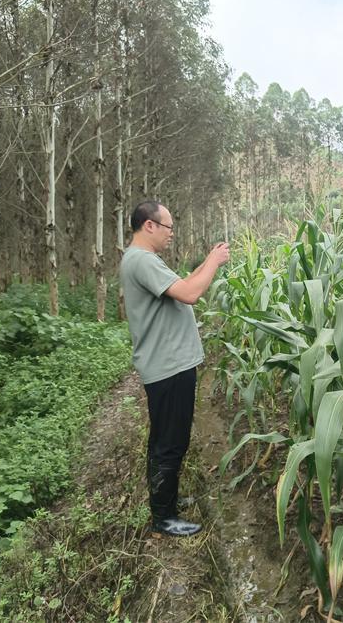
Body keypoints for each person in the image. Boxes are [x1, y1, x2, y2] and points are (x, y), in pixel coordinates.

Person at [120, 200, 230, 537]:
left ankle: (166, 502)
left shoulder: (144, 260)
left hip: (168, 364)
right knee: (170, 442)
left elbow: (182, 283)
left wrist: (204, 264)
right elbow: (191, 293)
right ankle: (163, 518)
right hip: (168, 367)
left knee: (166, 440)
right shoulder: (141, 261)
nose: (172, 233)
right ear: (149, 226)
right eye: (168, 227)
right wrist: (214, 261)